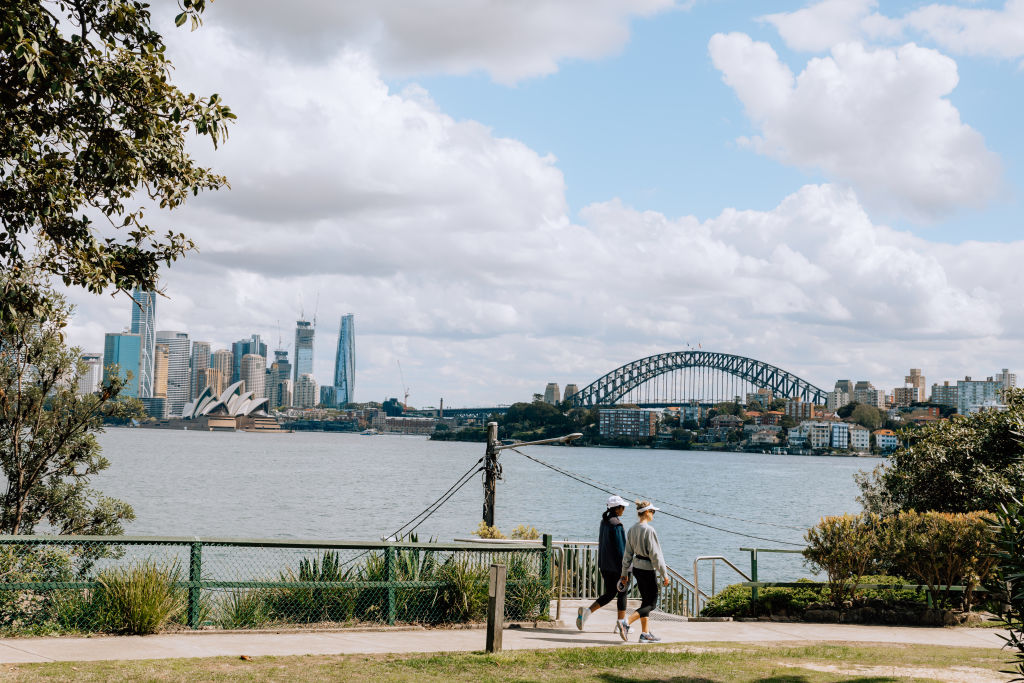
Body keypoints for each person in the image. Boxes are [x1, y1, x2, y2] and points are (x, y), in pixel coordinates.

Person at [617, 500, 669, 642]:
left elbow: (627, 554)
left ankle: (645, 634)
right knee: (651, 604)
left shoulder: (632, 529)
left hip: (637, 568)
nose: (653, 514)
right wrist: (664, 574)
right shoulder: (649, 530)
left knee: (645, 601)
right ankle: (625, 623)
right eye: (652, 511)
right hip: (647, 569)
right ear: (646, 512)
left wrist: (623, 574)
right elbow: (656, 555)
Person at [576, 495, 630, 631]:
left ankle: (587, 612)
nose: (623, 509)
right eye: (622, 507)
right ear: (617, 509)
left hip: (605, 565)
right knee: (622, 593)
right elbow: (621, 549)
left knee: (611, 593)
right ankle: (621, 625)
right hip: (617, 567)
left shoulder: (604, 522)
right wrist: (625, 570)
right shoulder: (616, 525)